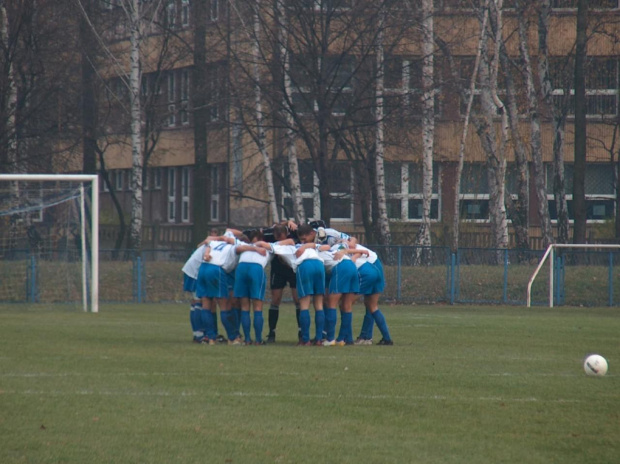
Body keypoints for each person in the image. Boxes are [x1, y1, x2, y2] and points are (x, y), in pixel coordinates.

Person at [348, 241, 394, 346]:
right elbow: (353, 241)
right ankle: (381, 338)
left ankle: (348, 338)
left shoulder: (334, 241)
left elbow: (353, 242)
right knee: (371, 306)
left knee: (347, 303)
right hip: (375, 265)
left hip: (371, 267)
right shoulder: (341, 241)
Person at [233, 230, 273, 345]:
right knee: (257, 306)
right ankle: (258, 339)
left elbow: (235, 248)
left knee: (245, 306)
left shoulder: (244, 246)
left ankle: (247, 339)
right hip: (256, 269)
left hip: (241, 268)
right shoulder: (268, 247)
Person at [263, 222, 301, 343]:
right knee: (275, 300)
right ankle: (272, 332)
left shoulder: (295, 234)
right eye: (277, 237)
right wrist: (284, 223)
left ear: (287, 234)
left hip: (292, 270)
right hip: (277, 271)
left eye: (281, 237)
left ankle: (301, 331)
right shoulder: (269, 235)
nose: (279, 238)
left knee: (297, 299)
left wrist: (288, 223)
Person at [317, 242, 360, 346]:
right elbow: (346, 243)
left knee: (331, 304)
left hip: (341, 267)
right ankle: (341, 339)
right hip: (352, 266)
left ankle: (330, 338)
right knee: (347, 306)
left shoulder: (315, 254)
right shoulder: (335, 248)